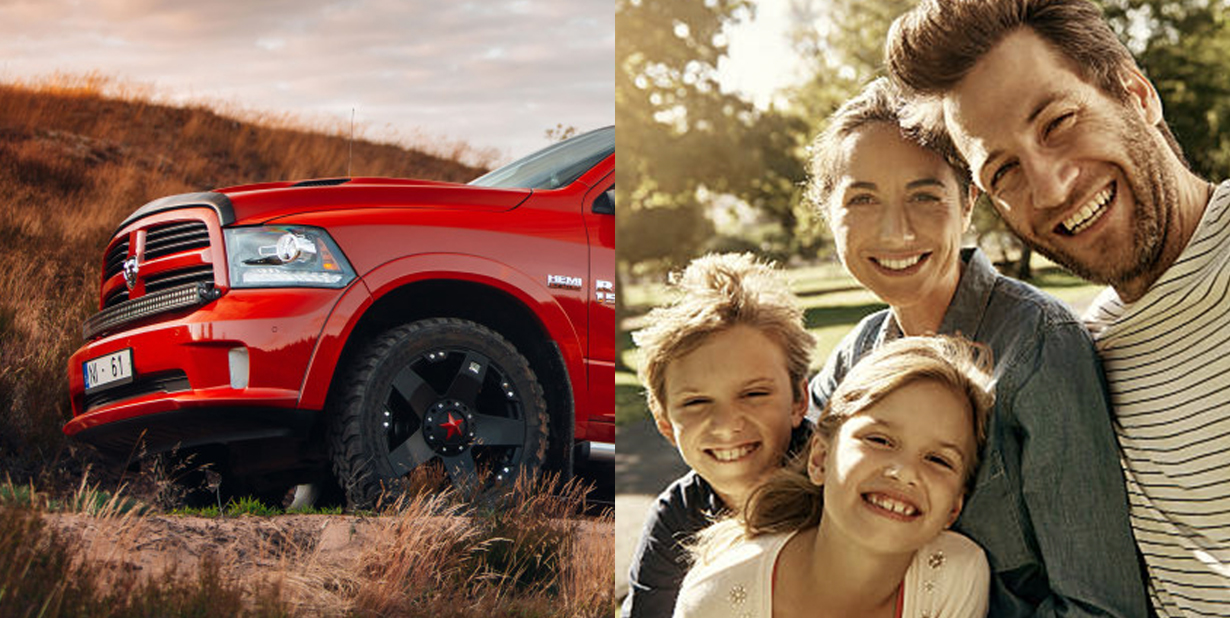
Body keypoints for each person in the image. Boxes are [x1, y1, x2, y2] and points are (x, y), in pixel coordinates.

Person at [886, 1, 1230, 615]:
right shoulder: (1079, 351)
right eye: (1005, 171)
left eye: (1058, 121)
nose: (1049, 187)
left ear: (1137, 94)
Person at [808, 78, 1147, 617]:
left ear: (968, 202)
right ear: (828, 212)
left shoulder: (1038, 348)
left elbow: (1100, 608)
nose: (896, 231)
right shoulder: (856, 356)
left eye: (924, 195)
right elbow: (784, 479)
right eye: (862, 198)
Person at [676, 336, 993, 618]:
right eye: (880, 440)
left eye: (938, 459)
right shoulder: (716, 598)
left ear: (954, 506)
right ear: (820, 459)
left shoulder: (955, 575)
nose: (905, 471)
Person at [621, 252, 816, 618]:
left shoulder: (842, 485)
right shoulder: (675, 520)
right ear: (664, 421)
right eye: (696, 402)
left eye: (754, 394)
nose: (726, 425)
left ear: (798, 400)